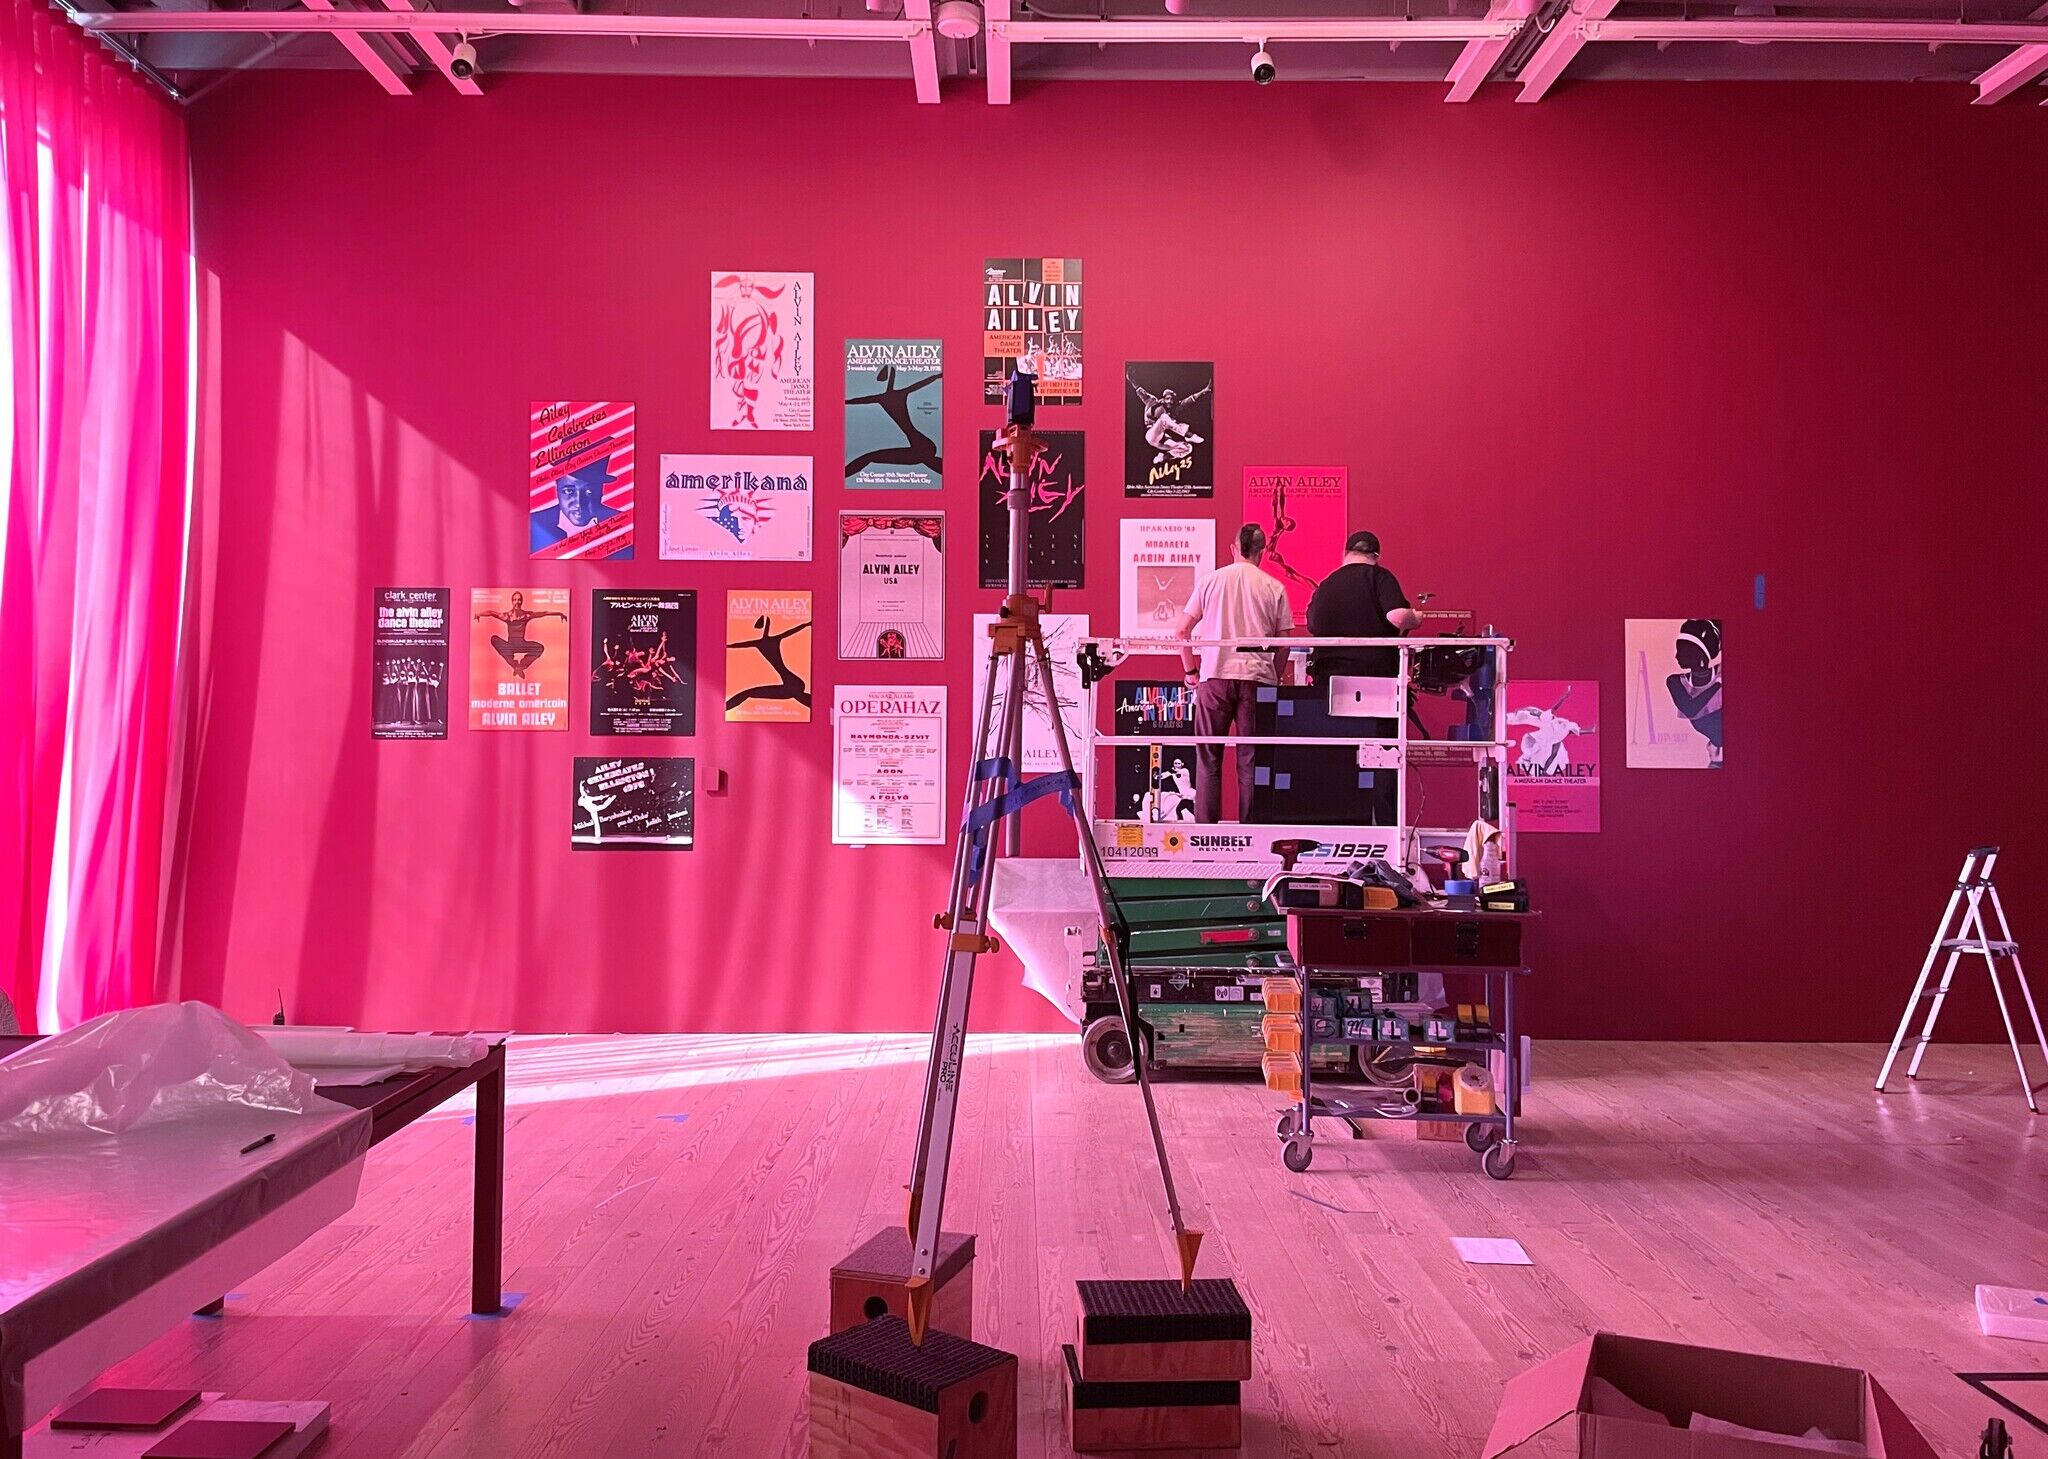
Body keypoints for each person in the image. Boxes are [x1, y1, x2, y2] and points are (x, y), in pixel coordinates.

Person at [1172, 523, 1294, 824]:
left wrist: (1191, 672)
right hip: (1257, 679)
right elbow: (1284, 644)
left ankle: (1205, 835)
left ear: (1233, 549)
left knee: (1208, 759)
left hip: (1215, 675)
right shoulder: (1274, 587)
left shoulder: (1210, 581)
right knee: (1252, 762)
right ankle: (1251, 835)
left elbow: (1181, 630)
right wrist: (1274, 678)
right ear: (1262, 552)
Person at [1305, 531, 1423, 683]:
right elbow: (1398, 617)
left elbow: (1312, 624)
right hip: (1375, 674)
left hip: (1328, 675)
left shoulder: (1326, 584)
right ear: (1376, 557)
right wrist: (1415, 618)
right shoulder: (1379, 577)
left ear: (1346, 554)